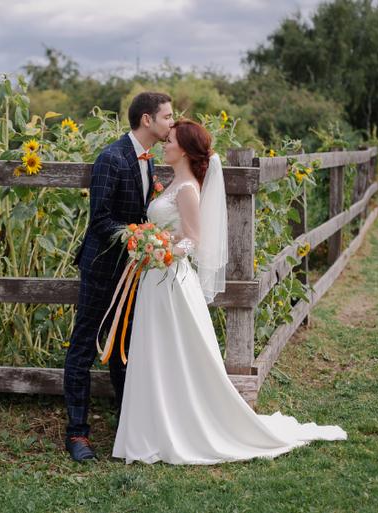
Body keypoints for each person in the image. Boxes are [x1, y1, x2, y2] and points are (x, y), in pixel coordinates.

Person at [112, 120, 347, 465]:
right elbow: (173, 230)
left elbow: (194, 239)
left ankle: (178, 428)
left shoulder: (187, 189)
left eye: (171, 141)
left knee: (173, 350)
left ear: (186, 151)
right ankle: (154, 427)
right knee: (156, 349)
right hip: (155, 279)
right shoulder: (173, 182)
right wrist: (151, 241)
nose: (165, 144)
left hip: (171, 279)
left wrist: (161, 250)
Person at [64, 92, 174, 462]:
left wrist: (148, 239)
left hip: (133, 271)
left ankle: (130, 429)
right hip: (101, 268)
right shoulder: (111, 157)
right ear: (147, 120)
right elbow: (100, 219)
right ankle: (77, 434)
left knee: (124, 350)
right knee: (83, 348)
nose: (172, 123)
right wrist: (139, 237)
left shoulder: (149, 159)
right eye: (167, 116)